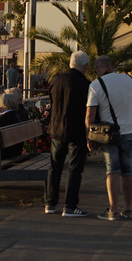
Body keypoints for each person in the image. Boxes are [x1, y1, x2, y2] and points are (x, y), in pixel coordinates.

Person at [86, 55, 132, 221]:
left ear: (99, 68)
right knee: (128, 170)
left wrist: (88, 137)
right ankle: (128, 208)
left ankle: (113, 209)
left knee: (112, 170)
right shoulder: (128, 80)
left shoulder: (96, 84)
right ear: (111, 66)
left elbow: (90, 115)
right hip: (129, 131)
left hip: (108, 134)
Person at [45, 51, 92, 218]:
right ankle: (70, 206)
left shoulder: (56, 80)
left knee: (54, 167)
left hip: (57, 129)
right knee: (74, 169)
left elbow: (52, 102)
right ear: (85, 66)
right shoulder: (86, 84)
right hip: (76, 131)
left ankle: (50, 203)